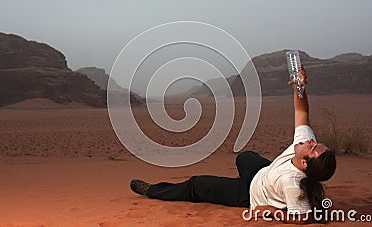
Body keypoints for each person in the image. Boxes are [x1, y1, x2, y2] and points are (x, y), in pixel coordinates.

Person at [129, 65, 336, 224]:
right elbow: (302, 113)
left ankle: (154, 190)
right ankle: (260, 179)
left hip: (251, 193)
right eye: (315, 143)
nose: (310, 141)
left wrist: (271, 211)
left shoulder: (291, 182)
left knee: (197, 185)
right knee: (244, 156)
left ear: (304, 164)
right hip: (263, 172)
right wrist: (300, 87)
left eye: (312, 148)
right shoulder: (303, 145)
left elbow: (303, 217)